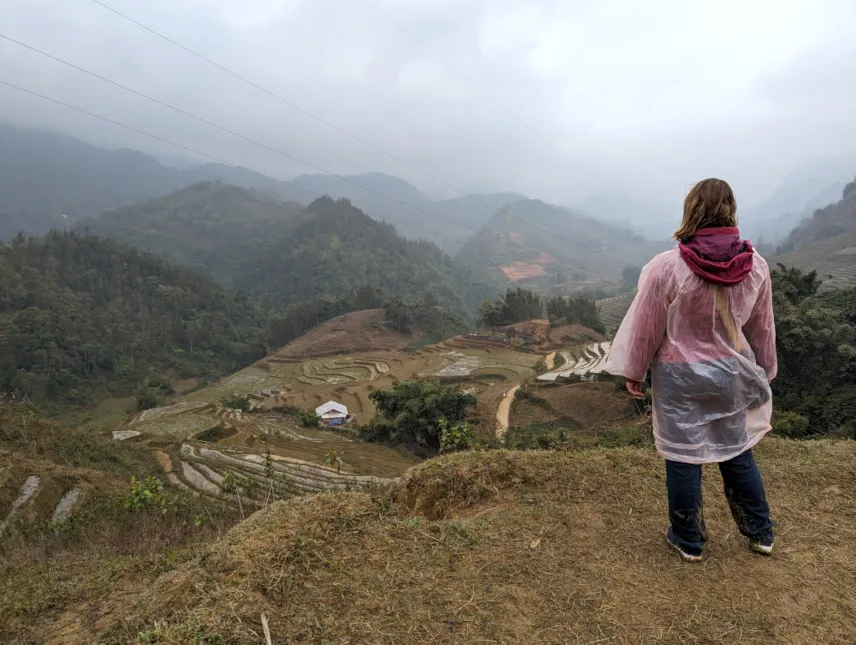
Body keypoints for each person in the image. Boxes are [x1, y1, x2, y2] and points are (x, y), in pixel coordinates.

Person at [605, 178, 776, 562]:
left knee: (683, 456)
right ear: (730, 209)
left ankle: (688, 540)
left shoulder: (667, 267)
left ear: (692, 209)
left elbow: (647, 325)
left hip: (679, 376)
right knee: (736, 452)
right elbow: (762, 325)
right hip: (731, 372)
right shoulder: (756, 266)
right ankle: (760, 532)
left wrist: (634, 370)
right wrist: (765, 369)